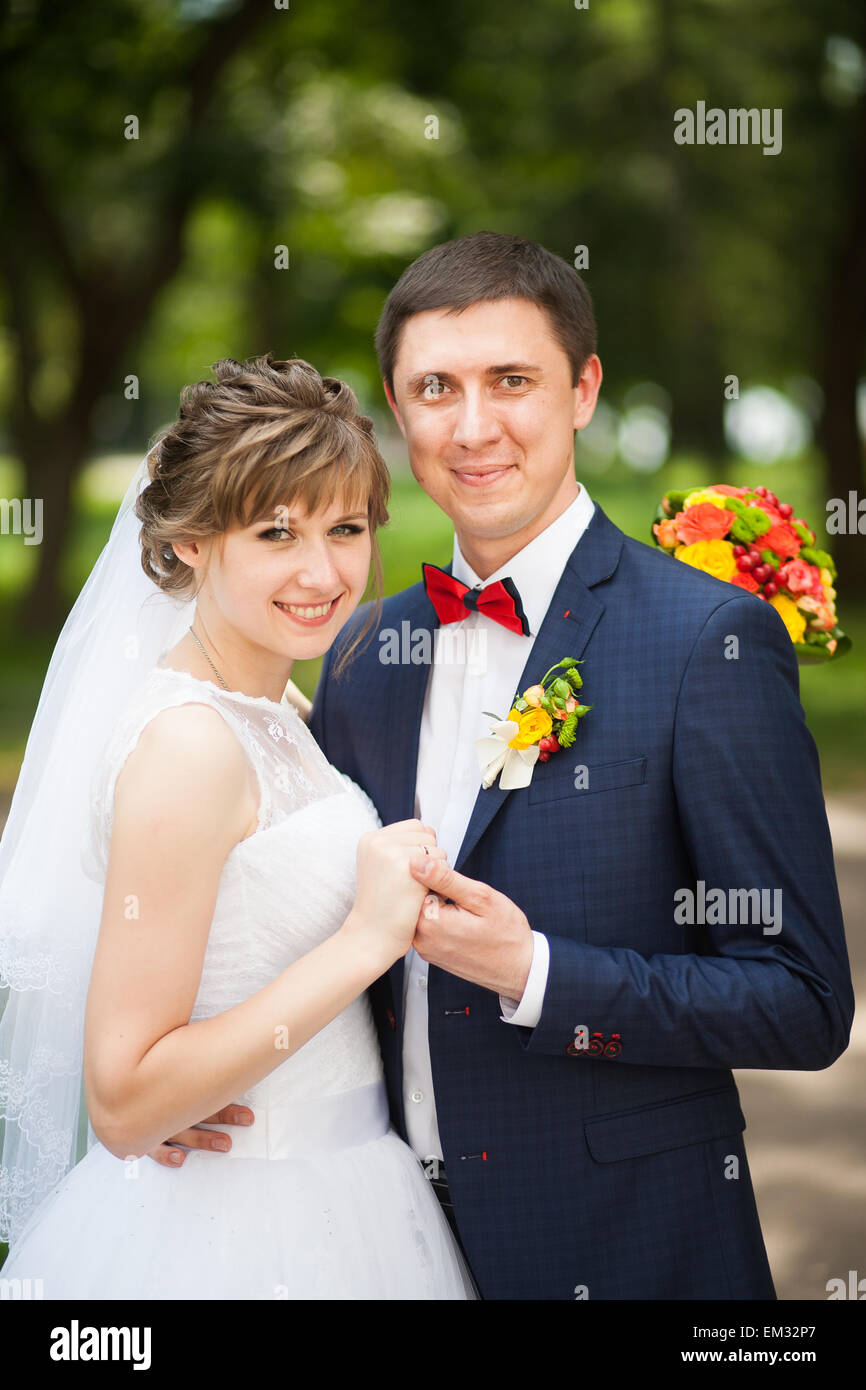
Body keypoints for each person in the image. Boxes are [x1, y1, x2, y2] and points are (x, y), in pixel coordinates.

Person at [166, 232, 854, 1299]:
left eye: (511, 381)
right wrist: (190, 1087)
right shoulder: (355, 652)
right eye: (435, 387)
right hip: (380, 1242)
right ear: (398, 412)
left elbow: (800, 1002)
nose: (472, 426)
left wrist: (535, 970)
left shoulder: (705, 641)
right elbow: (300, 914)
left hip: (630, 1246)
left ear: (581, 389)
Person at [0, 355, 476, 1299]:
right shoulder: (190, 746)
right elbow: (128, 1102)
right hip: (237, 1227)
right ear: (187, 544)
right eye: (275, 533)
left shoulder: (275, 708)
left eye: (345, 529)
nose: (323, 572)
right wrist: (365, 940)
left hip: (352, 1186)